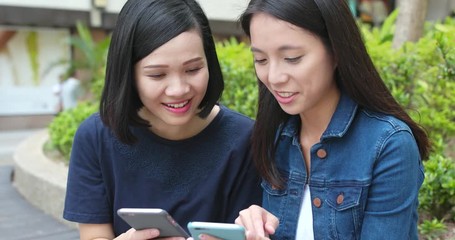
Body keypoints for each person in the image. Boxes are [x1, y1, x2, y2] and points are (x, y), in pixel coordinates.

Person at [62, 0, 262, 239]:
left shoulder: (245, 139)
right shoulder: (95, 137)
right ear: (129, 73)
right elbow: (94, 235)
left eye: (193, 69)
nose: (178, 90)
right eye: (157, 74)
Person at [232, 0, 430, 239]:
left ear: (336, 52)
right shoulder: (275, 137)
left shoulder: (388, 145)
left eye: (292, 58)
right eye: (261, 60)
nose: (274, 77)